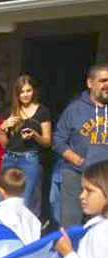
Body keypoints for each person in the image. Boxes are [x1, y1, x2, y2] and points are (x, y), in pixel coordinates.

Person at [52, 63, 108, 227]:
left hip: (105, 179)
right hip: (76, 175)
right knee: (71, 226)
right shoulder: (75, 109)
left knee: (102, 227)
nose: (107, 85)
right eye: (102, 80)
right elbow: (58, 140)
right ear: (90, 83)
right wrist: (79, 161)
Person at [0, 74, 52, 212]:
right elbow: (4, 145)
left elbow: (47, 141)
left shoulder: (42, 111)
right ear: (17, 93)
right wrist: (2, 129)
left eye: (28, 90)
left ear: (33, 91)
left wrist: (34, 135)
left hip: (30, 159)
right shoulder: (10, 110)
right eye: (22, 92)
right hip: (9, 158)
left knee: (25, 202)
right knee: (1, 200)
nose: (25, 94)